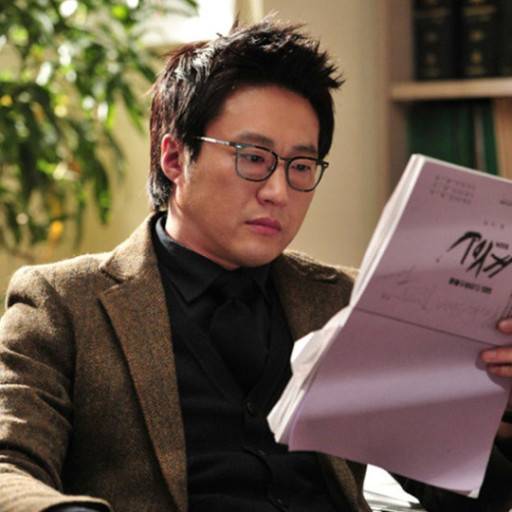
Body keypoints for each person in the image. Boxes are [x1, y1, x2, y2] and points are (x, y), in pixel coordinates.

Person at [1, 17, 512, 512]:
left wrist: (496, 404)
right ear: (174, 158)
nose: (278, 192)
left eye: (301, 166)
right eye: (252, 157)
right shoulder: (63, 302)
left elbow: (466, 491)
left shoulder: (346, 301)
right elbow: (8, 468)